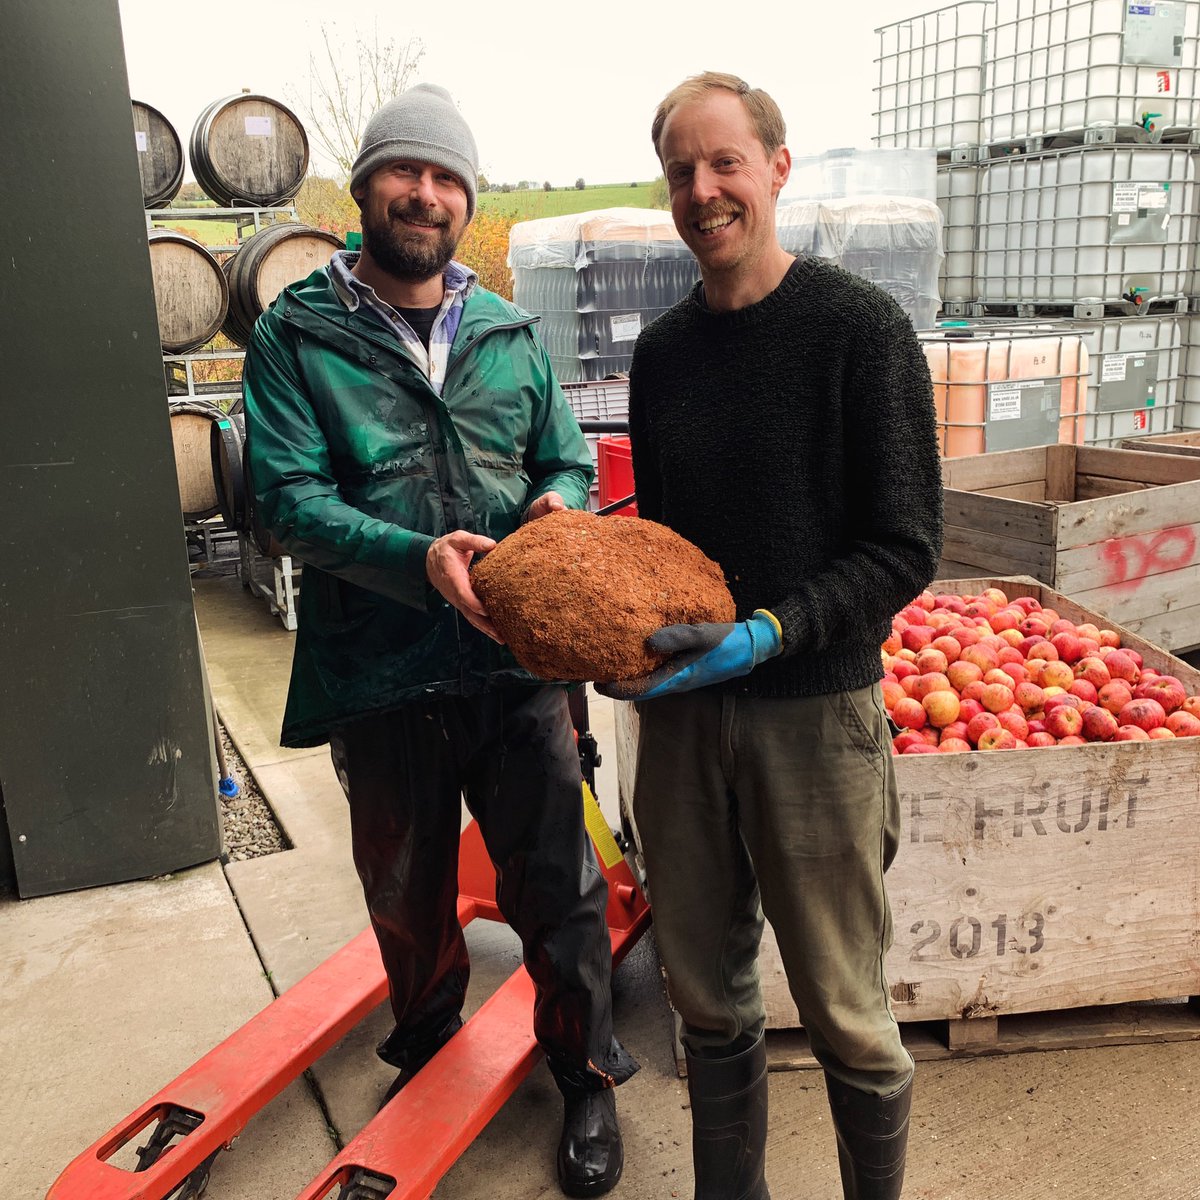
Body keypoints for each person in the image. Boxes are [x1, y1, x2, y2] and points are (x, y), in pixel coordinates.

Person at [242, 82, 636, 1198]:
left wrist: (556, 505)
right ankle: (424, 1047)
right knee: (406, 893)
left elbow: (562, 456)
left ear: (468, 200)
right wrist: (416, 559)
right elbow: (282, 496)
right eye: (406, 172)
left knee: (559, 887)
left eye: (448, 178)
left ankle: (587, 1072)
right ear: (366, 187)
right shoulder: (298, 334)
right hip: (379, 670)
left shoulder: (511, 333)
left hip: (516, 665)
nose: (426, 193)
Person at [599, 72, 943, 1199]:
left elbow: (904, 546)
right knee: (706, 999)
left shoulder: (858, 331)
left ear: (778, 168)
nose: (704, 190)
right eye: (682, 171)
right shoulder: (663, 355)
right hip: (689, 723)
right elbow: (666, 549)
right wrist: (581, 568)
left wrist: (770, 632)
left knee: (847, 1008)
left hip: (816, 720)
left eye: (726, 162)